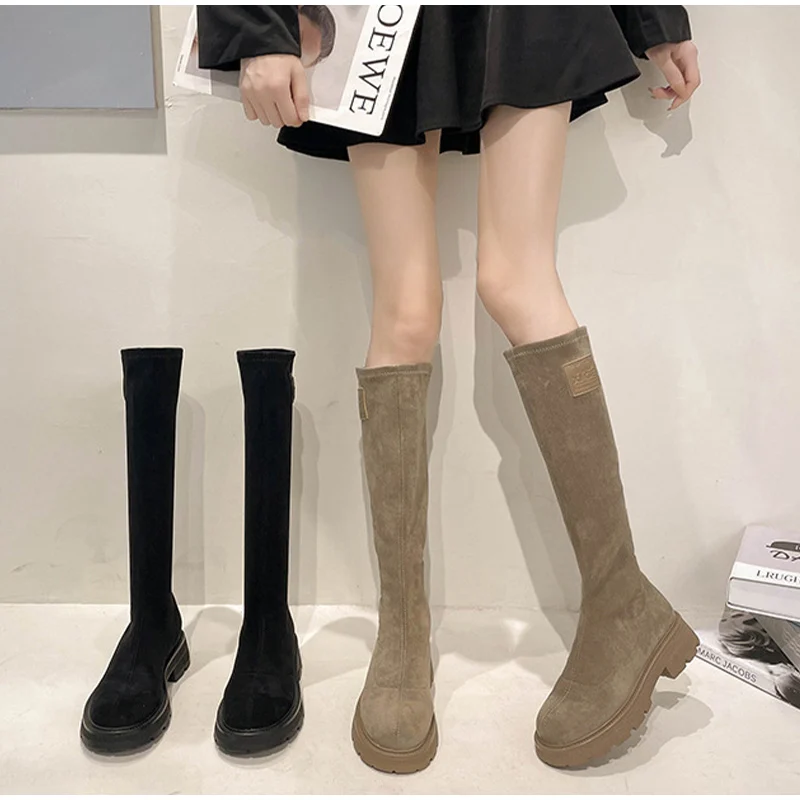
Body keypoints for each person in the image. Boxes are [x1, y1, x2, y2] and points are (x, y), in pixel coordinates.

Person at [198, 6, 702, 773]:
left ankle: (621, 600)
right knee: (404, 312)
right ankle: (402, 630)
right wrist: (261, 27)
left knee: (516, 281)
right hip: (377, 20)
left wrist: (655, 17)